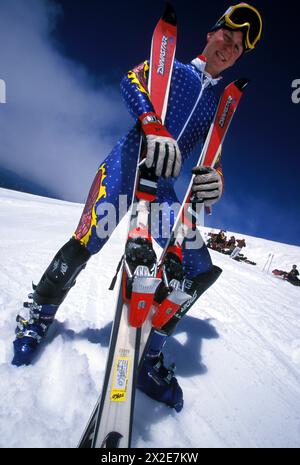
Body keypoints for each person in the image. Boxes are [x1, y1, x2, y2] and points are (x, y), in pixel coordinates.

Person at [12, 4, 263, 412]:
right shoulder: (174, 71)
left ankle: (148, 352)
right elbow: (132, 80)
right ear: (212, 33)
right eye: (227, 37)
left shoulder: (219, 107)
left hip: (162, 191)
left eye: (238, 47)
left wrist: (216, 180)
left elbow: (211, 157)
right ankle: (39, 312)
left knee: (197, 269)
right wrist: (152, 123)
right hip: (127, 166)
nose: (230, 48)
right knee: (86, 241)